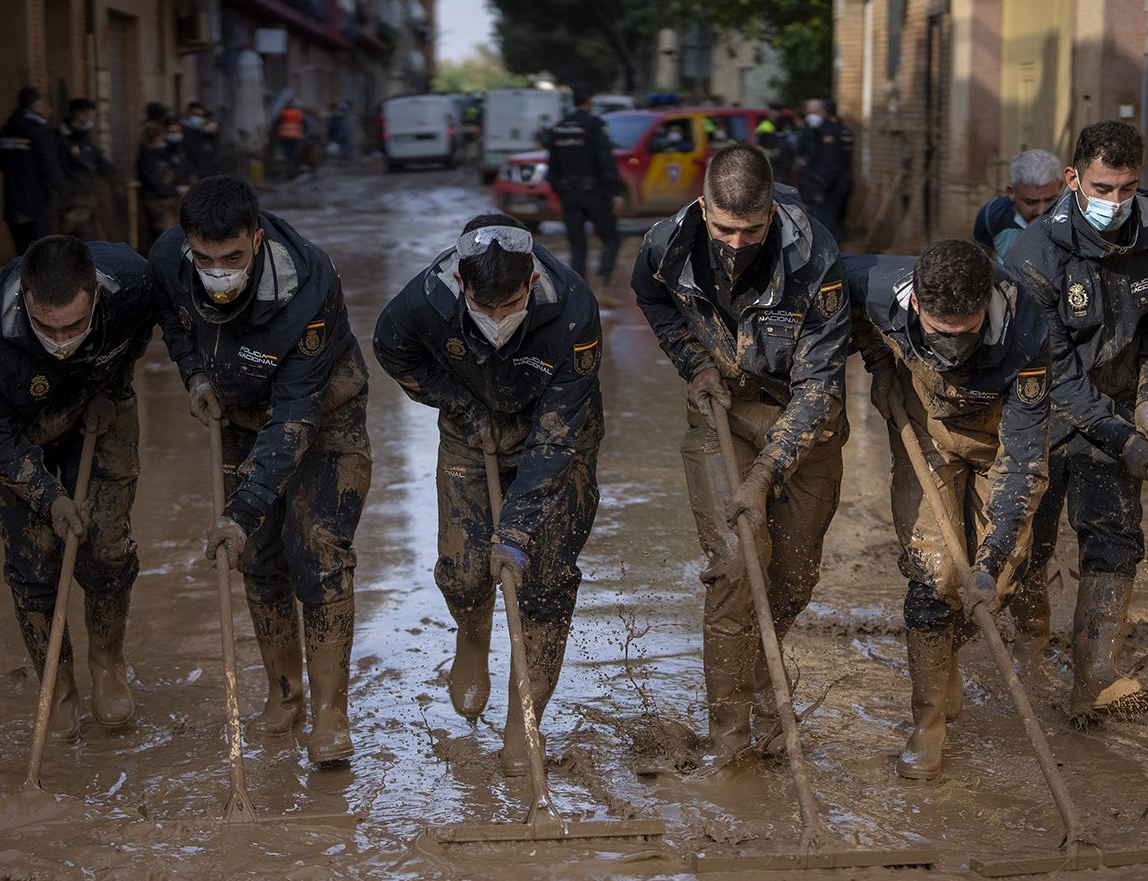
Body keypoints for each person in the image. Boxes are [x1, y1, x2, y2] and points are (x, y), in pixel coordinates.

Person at [632, 145, 850, 763]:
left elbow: (821, 384)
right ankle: (730, 739)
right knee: (735, 563)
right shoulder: (666, 245)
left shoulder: (814, 255)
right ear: (704, 207)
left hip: (801, 421)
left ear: (772, 209)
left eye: (750, 230)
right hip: (720, 410)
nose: (734, 242)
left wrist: (765, 474)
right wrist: (692, 363)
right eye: (723, 227)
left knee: (791, 578)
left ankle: (761, 688)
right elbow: (649, 297)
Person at [148, 176, 371, 766]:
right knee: (255, 557)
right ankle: (284, 694)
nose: (217, 270)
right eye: (205, 258)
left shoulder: (309, 285)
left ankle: (330, 712)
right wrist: (194, 373)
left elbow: (296, 416)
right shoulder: (169, 258)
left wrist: (241, 509)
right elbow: (171, 320)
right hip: (238, 411)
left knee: (317, 551)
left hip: (322, 411)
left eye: (232, 257)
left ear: (257, 236)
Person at [373, 214, 604, 775]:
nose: (497, 320)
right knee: (462, 569)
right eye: (484, 308)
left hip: (556, 432)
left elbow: (555, 438)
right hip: (469, 433)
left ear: (529, 284)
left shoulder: (573, 306)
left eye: (509, 308)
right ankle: (472, 636)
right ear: (462, 285)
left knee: (546, 582)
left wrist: (518, 529)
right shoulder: (425, 300)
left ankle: (523, 721)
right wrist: (459, 402)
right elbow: (391, 351)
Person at [1005, 120, 1148, 723]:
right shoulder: (1034, 255)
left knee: (1114, 538)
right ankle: (1029, 646)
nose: (1115, 202)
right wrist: (1120, 436)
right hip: (1038, 409)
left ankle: (1095, 680)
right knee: (1029, 546)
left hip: (1116, 403)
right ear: (1074, 179)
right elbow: (1051, 369)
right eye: (1102, 187)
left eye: (1127, 188)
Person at [847, 244, 1050, 780]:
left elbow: (1025, 462)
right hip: (926, 435)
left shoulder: (1025, 328)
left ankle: (948, 653)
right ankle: (928, 721)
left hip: (998, 442)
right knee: (932, 579)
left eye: (967, 331)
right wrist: (876, 360)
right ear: (915, 303)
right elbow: (832, 295)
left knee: (997, 579)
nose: (954, 346)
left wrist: (989, 560)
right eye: (940, 331)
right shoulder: (879, 286)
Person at [0, 236, 156, 739]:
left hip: (98, 410)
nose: (61, 339)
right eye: (46, 326)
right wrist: (51, 498)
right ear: (25, 297)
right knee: (34, 564)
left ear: (96, 298)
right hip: (17, 435)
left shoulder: (132, 283)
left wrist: (112, 385)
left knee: (107, 548)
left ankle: (107, 663)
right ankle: (58, 684)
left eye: (74, 326)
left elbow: (139, 335)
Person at [544, 90, 624, 285]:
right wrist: (614, 191)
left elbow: (552, 165)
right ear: (589, 101)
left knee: (577, 246)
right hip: (593, 192)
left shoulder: (559, 127)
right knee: (611, 239)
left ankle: (578, 285)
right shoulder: (594, 125)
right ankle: (603, 281)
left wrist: (559, 191)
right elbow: (605, 160)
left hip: (568, 194)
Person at [0, 86, 68, 254]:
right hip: (36, 203)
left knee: (21, 254)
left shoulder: (5, 130)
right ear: (37, 104)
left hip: (13, 204)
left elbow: (2, 164)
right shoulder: (40, 132)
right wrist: (68, 197)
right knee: (41, 256)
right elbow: (50, 168)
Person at [972, 149, 1063, 263]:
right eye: (1030, 202)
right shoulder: (992, 216)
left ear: (1060, 186)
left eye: (1050, 200)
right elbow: (979, 264)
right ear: (1011, 192)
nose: (1041, 211)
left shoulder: (1073, 219)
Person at [796, 99, 854, 239]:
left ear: (824, 111)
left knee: (826, 228)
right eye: (808, 112)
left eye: (815, 112)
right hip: (817, 187)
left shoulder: (831, 132)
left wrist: (817, 191)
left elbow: (830, 165)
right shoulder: (813, 131)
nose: (811, 116)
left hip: (827, 188)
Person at [60, 98, 117, 241]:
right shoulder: (61, 140)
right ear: (79, 115)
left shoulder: (85, 140)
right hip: (75, 201)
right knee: (80, 240)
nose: (92, 120)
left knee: (97, 239)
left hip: (91, 198)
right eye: (90, 115)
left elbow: (101, 163)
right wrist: (70, 195)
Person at [136, 121, 185, 250]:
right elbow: (155, 184)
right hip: (158, 203)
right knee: (168, 238)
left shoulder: (165, 154)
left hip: (172, 201)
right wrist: (174, 189)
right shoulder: (147, 159)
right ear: (156, 138)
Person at [182, 102, 221, 179]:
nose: (198, 118)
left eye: (201, 116)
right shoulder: (183, 133)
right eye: (195, 115)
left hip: (207, 176)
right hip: (191, 178)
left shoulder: (205, 135)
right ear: (187, 114)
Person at [276, 101, 305, 180]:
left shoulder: (283, 113)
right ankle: (293, 169)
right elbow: (303, 124)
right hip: (295, 136)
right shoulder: (298, 113)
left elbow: (277, 123)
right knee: (294, 153)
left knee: (287, 153)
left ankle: (288, 168)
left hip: (285, 136)